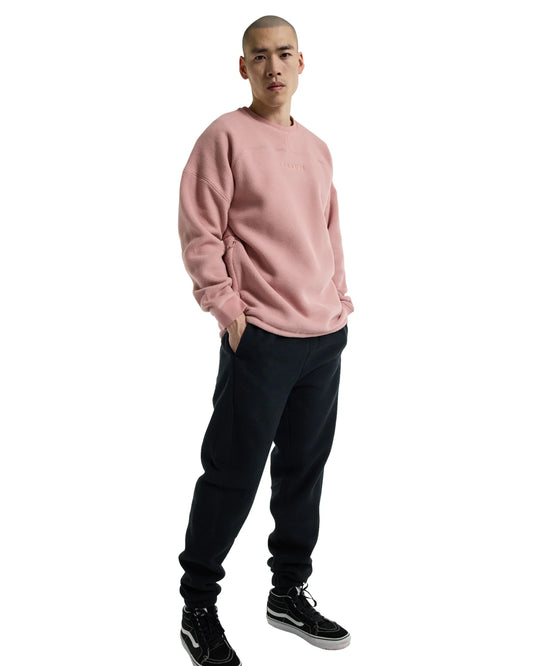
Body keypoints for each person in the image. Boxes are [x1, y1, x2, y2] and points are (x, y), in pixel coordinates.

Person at [177, 15, 354, 666]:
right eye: (259, 56)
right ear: (243, 67)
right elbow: (200, 231)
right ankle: (198, 605)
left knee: (303, 473)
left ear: (301, 63)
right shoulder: (224, 138)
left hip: (322, 337)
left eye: (283, 54)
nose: (273, 66)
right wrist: (227, 311)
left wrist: (340, 302)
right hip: (260, 337)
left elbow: (328, 230)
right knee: (232, 473)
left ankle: (287, 593)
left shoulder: (316, 148)